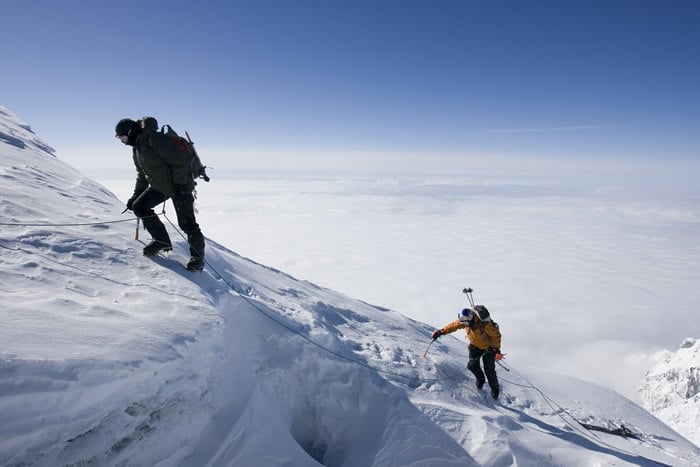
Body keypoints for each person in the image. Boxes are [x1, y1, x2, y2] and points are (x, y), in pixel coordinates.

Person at [115, 117, 205, 271]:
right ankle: (161, 240)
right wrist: (136, 195)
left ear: (131, 132)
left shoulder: (154, 139)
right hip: (161, 186)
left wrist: (180, 186)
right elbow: (142, 175)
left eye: (123, 137)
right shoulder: (137, 148)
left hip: (181, 185)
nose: (123, 142)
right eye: (121, 139)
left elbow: (180, 161)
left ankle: (197, 259)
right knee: (140, 206)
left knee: (187, 224)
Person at [431, 305, 503, 399]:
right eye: (462, 321)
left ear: (470, 318)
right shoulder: (465, 321)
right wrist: (441, 331)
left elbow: (496, 336)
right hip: (475, 346)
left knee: (489, 370)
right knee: (472, 365)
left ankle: (495, 390)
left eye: (465, 321)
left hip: (488, 349)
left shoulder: (485, 325)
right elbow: (453, 326)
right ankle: (481, 379)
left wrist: (496, 349)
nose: (463, 323)